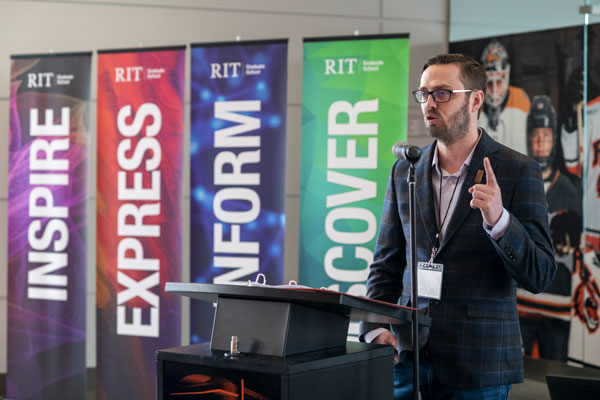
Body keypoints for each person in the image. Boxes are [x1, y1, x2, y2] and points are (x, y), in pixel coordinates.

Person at [359, 53, 557, 399]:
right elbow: (386, 265)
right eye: (423, 94)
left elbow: (540, 274)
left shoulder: (517, 171)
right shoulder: (405, 170)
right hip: (407, 360)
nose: (429, 103)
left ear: (476, 100)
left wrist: (499, 220)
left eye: (442, 93)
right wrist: (374, 329)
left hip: (479, 366)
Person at [517, 95, 582, 362]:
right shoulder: (517, 185)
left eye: (546, 134)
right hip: (521, 305)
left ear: (554, 138)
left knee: (556, 379)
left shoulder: (569, 189)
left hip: (557, 306)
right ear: (528, 137)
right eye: (536, 134)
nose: (541, 140)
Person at [478, 40, 530, 155]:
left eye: (499, 82)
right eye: (490, 83)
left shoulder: (521, 99)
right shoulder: (473, 103)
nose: (495, 90)